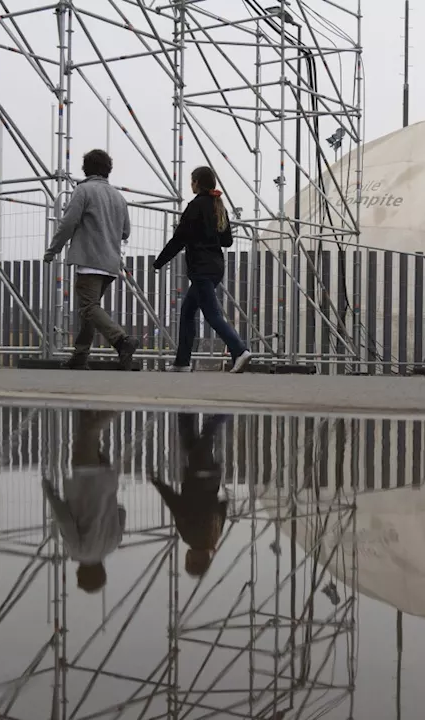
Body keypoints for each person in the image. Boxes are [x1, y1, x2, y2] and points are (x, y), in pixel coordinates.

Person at [43, 150, 139, 370]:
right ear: (108, 169)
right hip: (111, 263)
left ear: (86, 168)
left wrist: (52, 251)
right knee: (89, 310)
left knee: (88, 307)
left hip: (89, 260)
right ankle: (80, 355)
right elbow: (125, 232)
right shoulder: (118, 197)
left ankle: (122, 341)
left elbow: (68, 223)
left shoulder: (83, 191)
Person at [153, 167, 252, 373]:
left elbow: (179, 238)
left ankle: (239, 349)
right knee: (188, 311)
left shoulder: (195, 206)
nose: (191, 185)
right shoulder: (218, 206)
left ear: (197, 182)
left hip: (201, 268)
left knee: (212, 314)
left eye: (192, 181)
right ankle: (181, 362)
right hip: (216, 266)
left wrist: (159, 262)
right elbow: (227, 241)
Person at [41, 410, 126, 593]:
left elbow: (121, 511)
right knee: (88, 432)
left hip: (107, 481)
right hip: (85, 480)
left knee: (88, 430)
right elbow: (64, 520)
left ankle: (89, 397)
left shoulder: (113, 544)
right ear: (82, 573)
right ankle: (117, 408)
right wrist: (49, 491)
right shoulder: (77, 551)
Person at [150, 413, 230, 577]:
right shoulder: (189, 536)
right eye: (187, 561)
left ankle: (186, 411)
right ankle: (224, 413)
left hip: (210, 476)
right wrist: (158, 483)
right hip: (196, 475)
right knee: (207, 432)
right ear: (193, 559)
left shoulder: (214, 536)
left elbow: (222, 506)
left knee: (190, 440)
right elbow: (176, 505)